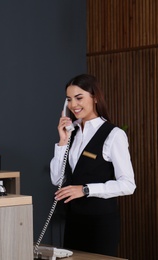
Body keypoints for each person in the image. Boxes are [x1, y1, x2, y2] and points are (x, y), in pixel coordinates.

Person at [50, 74, 136, 256]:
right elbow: (57, 179)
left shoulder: (114, 135)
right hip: (74, 220)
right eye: (69, 99)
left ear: (95, 97)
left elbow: (128, 185)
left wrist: (86, 189)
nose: (73, 105)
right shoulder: (71, 133)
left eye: (79, 98)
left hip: (101, 222)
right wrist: (62, 142)